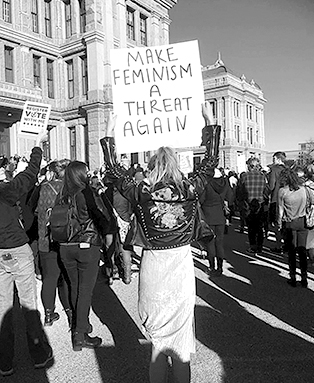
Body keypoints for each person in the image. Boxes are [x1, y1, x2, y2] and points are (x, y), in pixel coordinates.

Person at [100, 102, 218, 383]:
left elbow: (115, 171)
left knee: (158, 345)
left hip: (153, 263)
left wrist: (109, 132)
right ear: (177, 165)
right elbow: (211, 163)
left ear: (151, 167)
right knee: (180, 346)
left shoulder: (141, 191)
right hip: (180, 265)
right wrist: (209, 122)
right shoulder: (190, 188)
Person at [0, 131, 53, 377]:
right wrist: (37, 148)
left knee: (2, 309)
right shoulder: (6, 191)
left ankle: (5, 361)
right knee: (28, 305)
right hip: (17, 249)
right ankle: (39, 354)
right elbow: (30, 175)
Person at [58, 161, 111, 351]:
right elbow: (98, 215)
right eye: (86, 172)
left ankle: (80, 324)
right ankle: (80, 334)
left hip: (65, 246)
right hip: (86, 245)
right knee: (86, 289)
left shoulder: (62, 194)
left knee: (75, 286)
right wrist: (108, 232)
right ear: (80, 174)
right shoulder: (85, 192)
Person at [36, 159, 72, 326]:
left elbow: (37, 211)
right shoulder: (71, 189)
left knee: (49, 279)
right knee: (68, 278)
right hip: (67, 238)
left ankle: (49, 315)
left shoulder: (44, 188)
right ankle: (71, 314)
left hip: (46, 238)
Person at [278, 167, 312, 287]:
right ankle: (304, 278)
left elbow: (280, 210)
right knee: (302, 250)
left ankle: (293, 277)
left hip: (289, 222)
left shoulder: (282, 191)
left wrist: (278, 224)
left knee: (291, 252)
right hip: (302, 221)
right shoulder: (304, 190)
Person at [238, 157, 269, 254]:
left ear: (249, 166)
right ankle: (259, 247)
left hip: (248, 205)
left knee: (251, 228)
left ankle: (253, 246)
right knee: (259, 227)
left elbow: (241, 191)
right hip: (260, 204)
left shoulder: (245, 176)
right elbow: (266, 190)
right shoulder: (263, 176)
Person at [200, 168, 227, 276]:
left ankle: (212, 266)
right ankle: (220, 267)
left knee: (210, 243)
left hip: (209, 216)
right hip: (220, 215)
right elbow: (230, 196)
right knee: (219, 243)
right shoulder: (225, 184)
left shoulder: (207, 184)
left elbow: (201, 200)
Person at [268, 151, 287, 253]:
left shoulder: (274, 170)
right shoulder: (287, 170)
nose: (273, 160)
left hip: (276, 198)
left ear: (278, 159)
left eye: (274, 159)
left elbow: (271, 186)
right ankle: (287, 244)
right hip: (288, 198)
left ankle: (278, 245)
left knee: (276, 223)